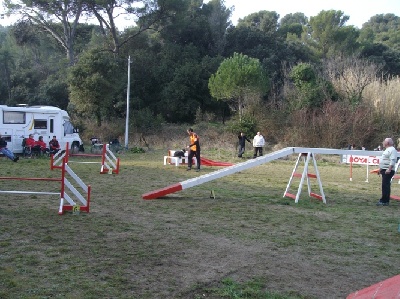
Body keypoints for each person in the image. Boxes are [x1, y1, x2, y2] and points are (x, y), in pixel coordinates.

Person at [376, 138, 397, 206]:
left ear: (387, 143)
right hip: (384, 169)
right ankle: (384, 199)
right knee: (385, 185)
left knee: (385, 185)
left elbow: (393, 160)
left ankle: (384, 201)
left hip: (388, 170)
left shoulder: (392, 150)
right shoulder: (388, 150)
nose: (383, 143)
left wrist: (389, 169)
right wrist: (380, 169)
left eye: (384, 141)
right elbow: (385, 160)